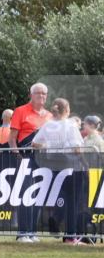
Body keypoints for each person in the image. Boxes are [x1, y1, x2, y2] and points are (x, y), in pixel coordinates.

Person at [32, 98, 87, 245]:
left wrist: (48, 147)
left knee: (61, 199)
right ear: (67, 110)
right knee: (73, 202)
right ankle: (70, 236)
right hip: (70, 166)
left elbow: (35, 143)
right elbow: (77, 149)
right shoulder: (71, 125)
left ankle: (58, 221)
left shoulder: (47, 125)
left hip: (52, 167)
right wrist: (85, 163)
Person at [8, 82, 50, 241]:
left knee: (38, 195)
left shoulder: (49, 115)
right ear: (31, 95)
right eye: (38, 93)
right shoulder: (20, 111)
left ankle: (32, 232)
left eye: (44, 93)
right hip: (25, 158)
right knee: (25, 193)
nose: (41, 96)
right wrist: (17, 154)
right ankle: (23, 232)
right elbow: (12, 138)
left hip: (44, 160)